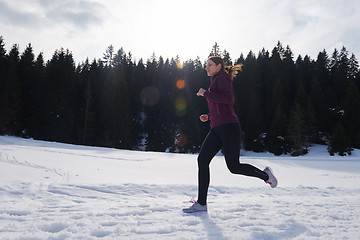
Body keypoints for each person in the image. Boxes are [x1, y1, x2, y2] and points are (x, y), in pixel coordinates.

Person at [182, 56, 278, 214]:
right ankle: (201, 204)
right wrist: (209, 116)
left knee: (234, 167)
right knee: (202, 160)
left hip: (229, 128)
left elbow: (228, 99)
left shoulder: (223, 78)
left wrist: (206, 94)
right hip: (216, 128)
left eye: (210, 65)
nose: (206, 68)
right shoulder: (215, 81)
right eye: (206, 65)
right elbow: (219, 106)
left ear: (219, 66)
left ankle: (265, 175)